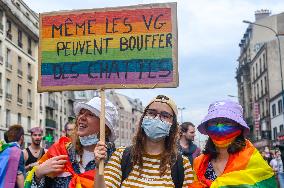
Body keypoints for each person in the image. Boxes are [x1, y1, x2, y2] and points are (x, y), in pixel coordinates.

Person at [95, 95, 194, 187]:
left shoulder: (182, 165)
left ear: (173, 124)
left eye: (165, 115)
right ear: (143, 119)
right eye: (151, 113)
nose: (157, 118)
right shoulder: (121, 156)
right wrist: (99, 166)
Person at [24, 97, 118, 188]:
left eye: (90, 114)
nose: (81, 117)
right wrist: (38, 174)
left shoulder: (116, 159)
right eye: (81, 113)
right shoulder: (60, 151)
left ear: (105, 126)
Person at [189, 100, 277, 188]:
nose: (220, 127)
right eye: (214, 122)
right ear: (207, 127)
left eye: (227, 122)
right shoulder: (199, 163)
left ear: (239, 127)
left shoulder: (251, 159)